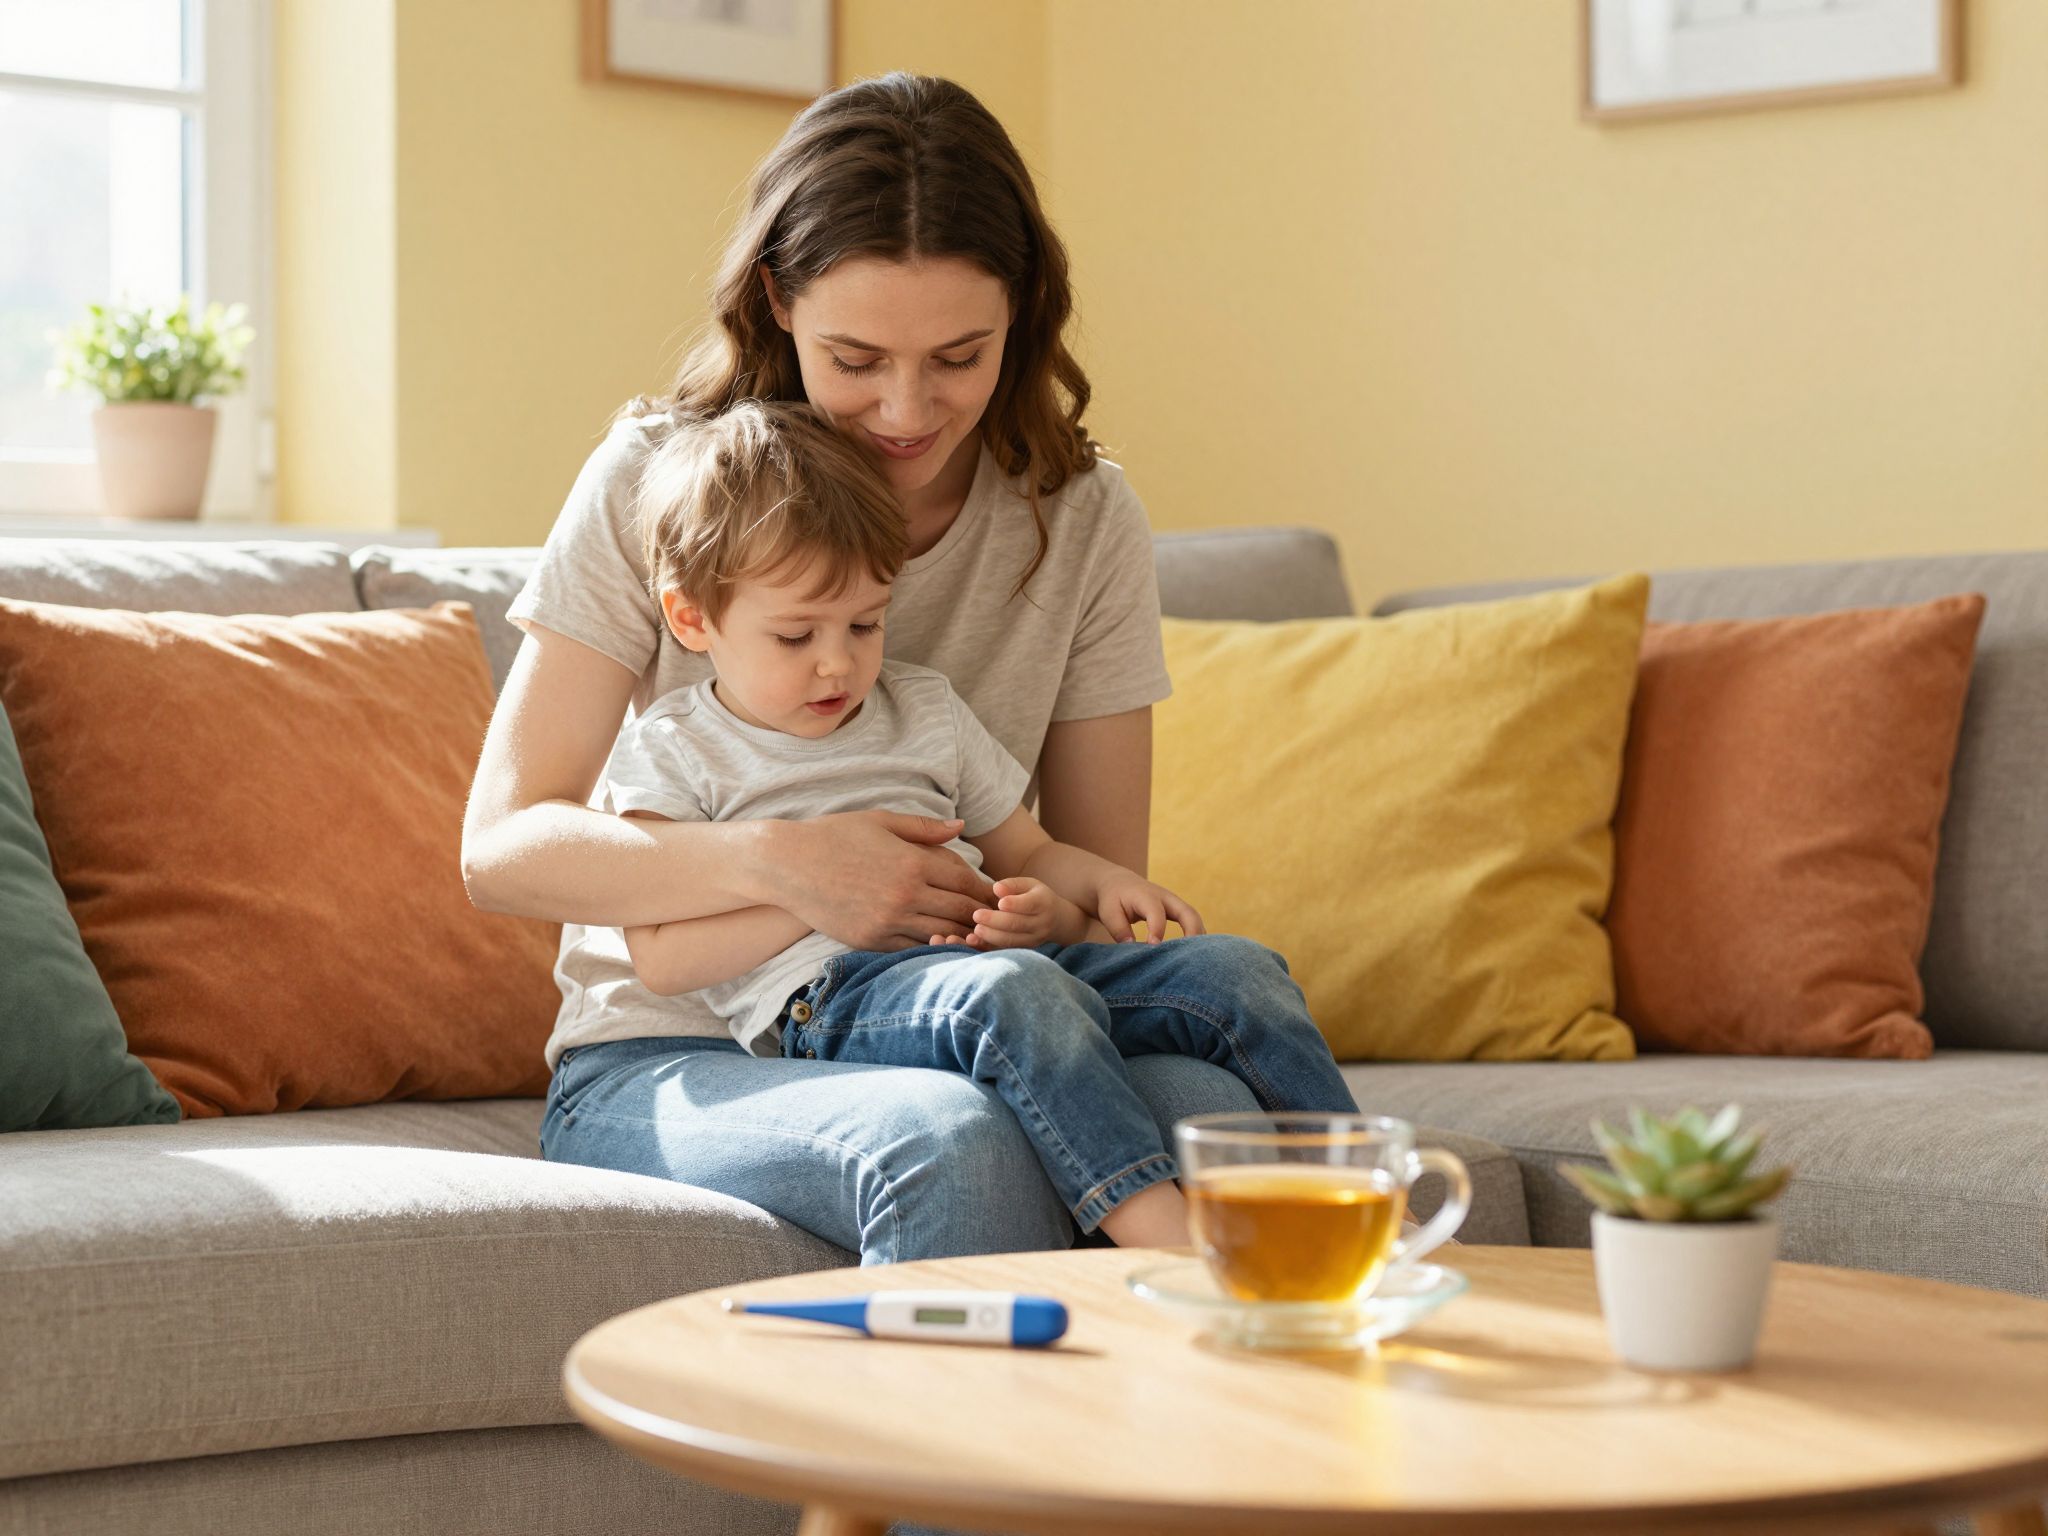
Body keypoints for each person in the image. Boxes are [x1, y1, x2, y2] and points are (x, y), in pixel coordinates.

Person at [462, 71, 1297, 1263]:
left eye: (960, 356)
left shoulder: (1081, 514)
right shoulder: (660, 481)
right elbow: (500, 853)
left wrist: (1038, 906)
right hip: (678, 1047)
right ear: (776, 303)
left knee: (1206, 1124)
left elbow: (1090, 883)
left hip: (976, 998)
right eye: (853, 357)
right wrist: (787, 865)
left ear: (1023, 319)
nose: (905, 410)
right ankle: (946, 1453)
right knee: (946, 1137)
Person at [590, 399, 1357, 1249]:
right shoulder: (674, 748)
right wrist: (827, 897)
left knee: (1239, 974)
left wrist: (1087, 890)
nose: (837, 661)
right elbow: (661, 959)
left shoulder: (922, 707)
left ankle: (1373, 1218)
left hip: (998, 967)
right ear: (694, 617)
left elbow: (1026, 849)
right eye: (796, 634)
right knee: (1016, 994)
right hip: (839, 1002)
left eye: (865, 623)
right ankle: (1164, 1240)